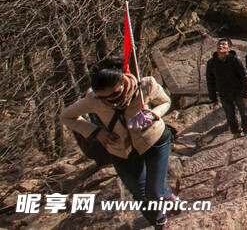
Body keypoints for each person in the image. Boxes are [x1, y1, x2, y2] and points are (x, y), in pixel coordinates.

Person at [60, 57, 174, 229]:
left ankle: (164, 198)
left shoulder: (145, 86)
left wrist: (153, 114)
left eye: (115, 95)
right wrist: (96, 132)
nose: (111, 100)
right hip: (121, 151)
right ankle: (158, 220)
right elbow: (66, 116)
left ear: (122, 83)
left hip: (154, 141)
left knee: (154, 192)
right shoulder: (93, 100)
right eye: (104, 98)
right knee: (139, 194)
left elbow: (165, 102)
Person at [205, 38, 247, 138]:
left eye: (223, 45)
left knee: (244, 112)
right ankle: (235, 132)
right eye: (219, 44)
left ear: (229, 48)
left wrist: (246, 93)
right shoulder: (211, 63)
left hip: (238, 92)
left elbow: (244, 77)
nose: (220, 46)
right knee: (230, 115)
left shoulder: (235, 60)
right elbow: (210, 81)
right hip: (224, 93)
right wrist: (213, 98)